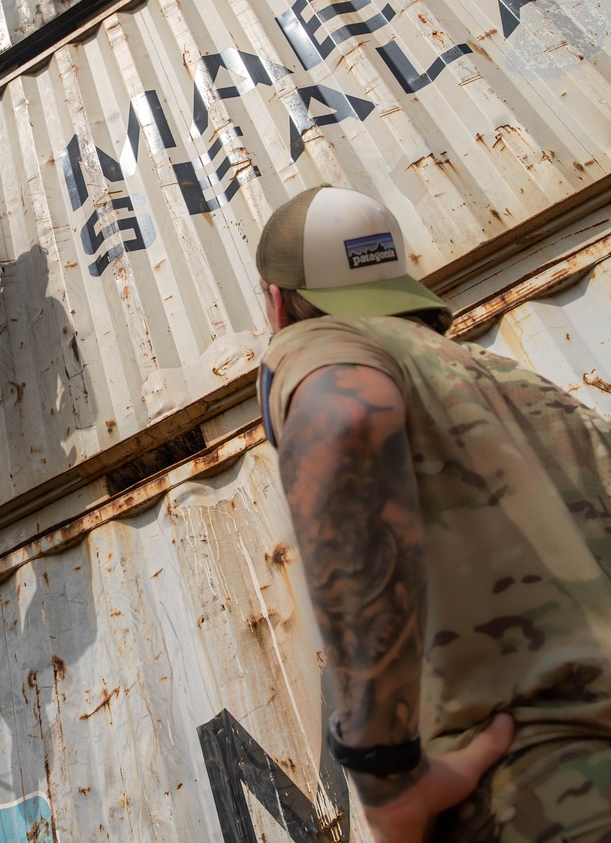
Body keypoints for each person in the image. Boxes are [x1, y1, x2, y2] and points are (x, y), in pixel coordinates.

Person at [255, 184, 611, 843]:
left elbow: (346, 417)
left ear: (276, 302)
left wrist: (387, 776)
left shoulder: (318, 341)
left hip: (538, 802)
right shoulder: (542, 396)